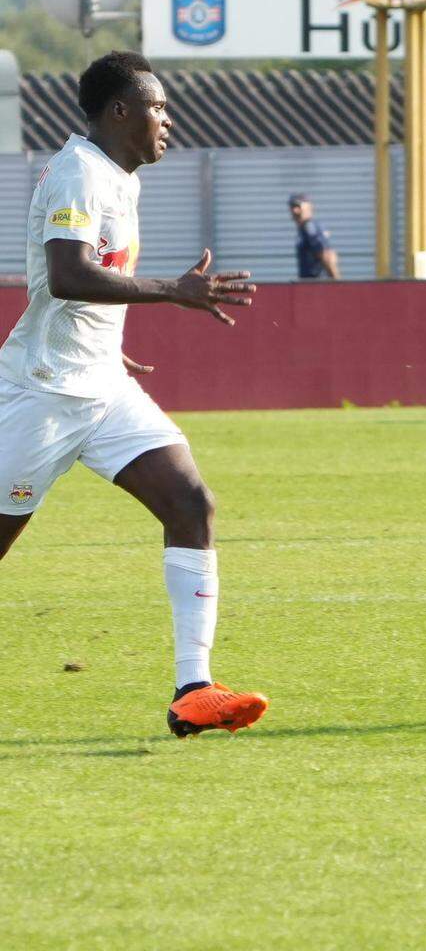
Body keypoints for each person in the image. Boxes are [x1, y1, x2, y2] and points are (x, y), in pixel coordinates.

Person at [0, 51, 267, 737]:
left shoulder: (119, 177)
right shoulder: (77, 173)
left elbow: (82, 288)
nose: (167, 121)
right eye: (156, 108)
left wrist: (106, 344)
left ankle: (194, 690)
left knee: (191, 502)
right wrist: (175, 292)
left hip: (102, 389)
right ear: (118, 113)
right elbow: (68, 275)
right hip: (42, 395)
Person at [288, 194, 340, 280]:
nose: (295, 211)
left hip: (315, 284)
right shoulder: (303, 228)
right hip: (307, 283)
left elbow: (327, 255)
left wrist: (337, 284)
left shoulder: (310, 227)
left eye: (298, 206)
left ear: (309, 207)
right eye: (292, 207)